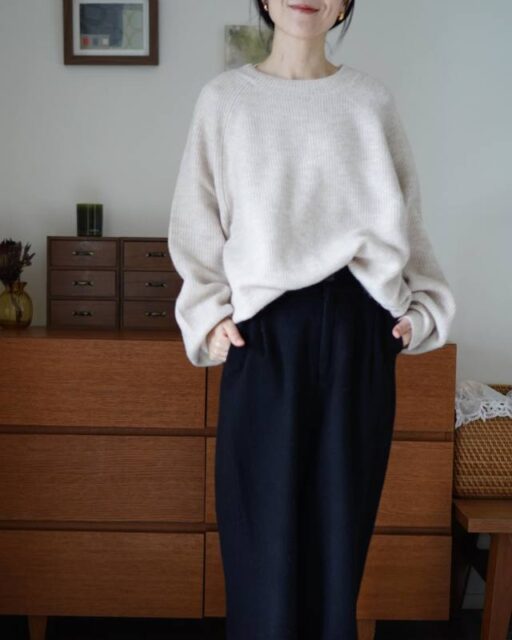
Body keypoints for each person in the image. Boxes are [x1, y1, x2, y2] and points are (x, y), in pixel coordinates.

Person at [167, 1, 456, 638]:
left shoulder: (369, 102)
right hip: (264, 336)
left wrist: (422, 311)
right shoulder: (224, 102)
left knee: (337, 544)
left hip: (358, 330)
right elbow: (195, 218)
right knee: (260, 543)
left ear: (346, 3)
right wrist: (209, 316)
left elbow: (406, 219)